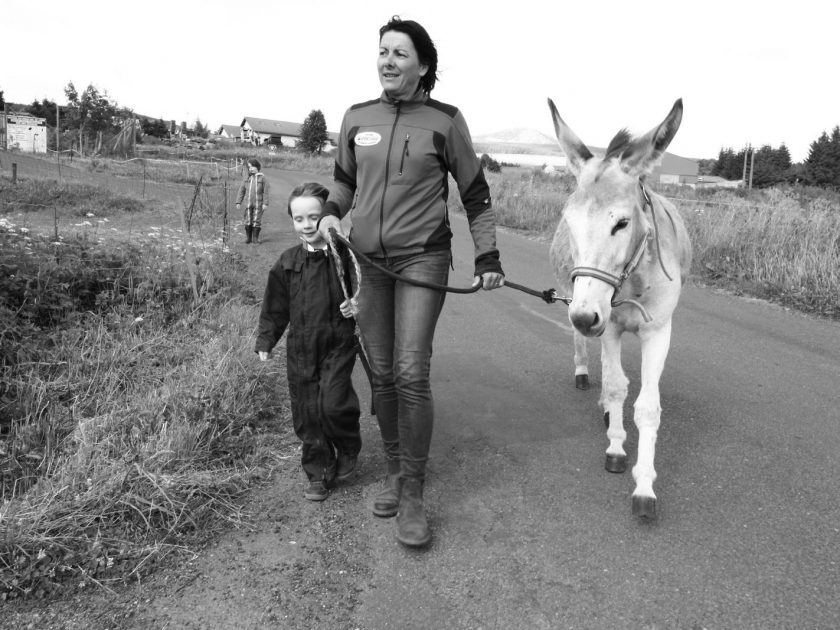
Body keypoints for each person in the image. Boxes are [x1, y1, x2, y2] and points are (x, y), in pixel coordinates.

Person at [317, 16, 504, 548]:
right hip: (369, 263)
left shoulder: (444, 121)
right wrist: (332, 212)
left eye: (400, 53)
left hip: (423, 259)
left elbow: (475, 194)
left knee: (409, 370)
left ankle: (416, 493)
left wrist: (487, 256)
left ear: (422, 66)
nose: (388, 61)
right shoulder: (357, 117)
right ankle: (397, 471)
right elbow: (345, 181)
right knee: (380, 373)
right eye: (382, 51)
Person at [256, 182, 361, 501]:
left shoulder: (344, 256)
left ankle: (346, 447)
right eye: (298, 219)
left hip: (338, 344)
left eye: (314, 217)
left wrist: (357, 304)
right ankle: (318, 471)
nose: (306, 225)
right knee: (306, 413)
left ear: (330, 217)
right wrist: (266, 339)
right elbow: (275, 306)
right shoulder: (287, 263)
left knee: (332, 404)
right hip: (301, 349)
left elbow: (364, 290)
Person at [236, 158, 269, 244]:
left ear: (257, 167)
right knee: (248, 220)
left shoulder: (262, 178)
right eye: (249, 167)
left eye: (253, 166)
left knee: (256, 220)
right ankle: (248, 238)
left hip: (259, 204)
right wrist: (238, 202)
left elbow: (265, 192)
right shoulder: (246, 179)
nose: (251, 168)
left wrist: (265, 203)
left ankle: (255, 238)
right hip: (248, 204)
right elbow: (241, 191)